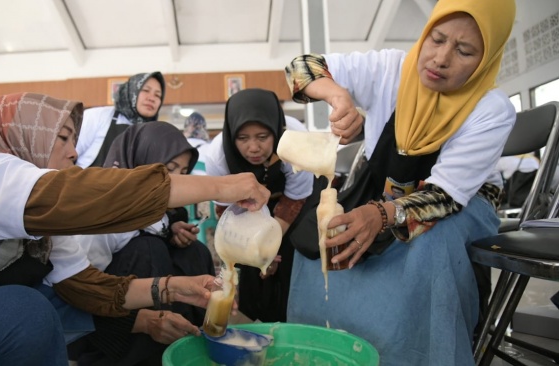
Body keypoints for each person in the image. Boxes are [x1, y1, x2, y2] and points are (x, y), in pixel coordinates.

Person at [0, 92, 270, 365]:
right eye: (62, 137)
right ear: (25, 136)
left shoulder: (45, 230)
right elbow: (95, 195)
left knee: (35, 304)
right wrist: (223, 187)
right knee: (22, 312)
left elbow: (86, 288)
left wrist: (175, 288)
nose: (74, 152)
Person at [284, 0, 516, 364]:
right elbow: (300, 67)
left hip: (459, 206)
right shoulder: (391, 68)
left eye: (464, 50)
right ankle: (326, 350)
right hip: (384, 191)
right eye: (436, 39)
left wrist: (380, 214)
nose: (441, 58)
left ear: (486, 59)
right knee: (317, 234)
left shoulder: (491, 110)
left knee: (429, 247)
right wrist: (337, 94)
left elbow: (443, 198)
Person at [60, 121, 215, 365]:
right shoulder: (105, 211)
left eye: (183, 172)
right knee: (148, 249)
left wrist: (173, 230)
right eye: (169, 168)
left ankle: (191, 341)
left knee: (194, 252)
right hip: (100, 323)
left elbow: (152, 225)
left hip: (137, 299)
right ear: (141, 163)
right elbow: (81, 288)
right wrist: (140, 320)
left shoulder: (161, 211)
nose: (177, 180)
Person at [204, 88, 315, 322]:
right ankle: (255, 321)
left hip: (291, 201)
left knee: (289, 257)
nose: (253, 148)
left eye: (262, 137)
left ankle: (294, 319)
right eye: (242, 138)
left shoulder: (296, 139)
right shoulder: (217, 155)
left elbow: (295, 197)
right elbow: (226, 210)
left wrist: (269, 245)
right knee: (251, 262)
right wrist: (252, 248)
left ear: (275, 131)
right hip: (243, 204)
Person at [75, 71, 165, 168]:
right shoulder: (98, 116)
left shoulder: (154, 135)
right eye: (146, 90)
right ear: (131, 91)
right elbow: (67, 156)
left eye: (157, 95)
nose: (152, 98)